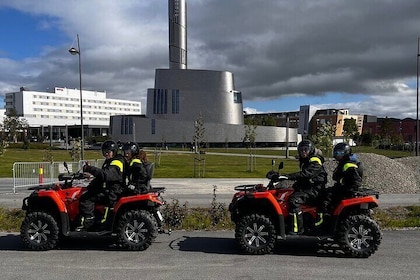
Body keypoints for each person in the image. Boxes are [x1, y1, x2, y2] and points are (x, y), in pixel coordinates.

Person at [76, 140, 125, 231]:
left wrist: (89, 168)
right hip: (109, 189)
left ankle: (89, 220)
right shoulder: (109, 161)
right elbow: (101, 178)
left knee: (86, 198)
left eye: (108, 152)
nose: (106, 154)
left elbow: (105, 175)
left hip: (112, 192)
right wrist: (91, 185)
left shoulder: (116, 162)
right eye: (104, 152)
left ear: (113, 152)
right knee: (89, 192)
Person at [283, 140, 327, 234]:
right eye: (301, 150)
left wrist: (287, 176)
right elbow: (304, 179)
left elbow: (306, 174)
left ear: (310, 150)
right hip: (311, 188)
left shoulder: (315, 160)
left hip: (316, 190)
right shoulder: (305, 161)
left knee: (294, 200)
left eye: (306, 149)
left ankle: (297, 229)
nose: (303, 152)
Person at [321, 142, 363, 213]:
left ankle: (324, 219)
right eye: (336, 153)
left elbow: (357, 181)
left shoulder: (349, 165)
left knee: (325, 200)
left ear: (346, 153)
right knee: (324, 192)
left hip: (346, 191)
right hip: (341, 189)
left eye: (340, 153)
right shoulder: (342, 163)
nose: (337, 155)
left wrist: (347, 188)